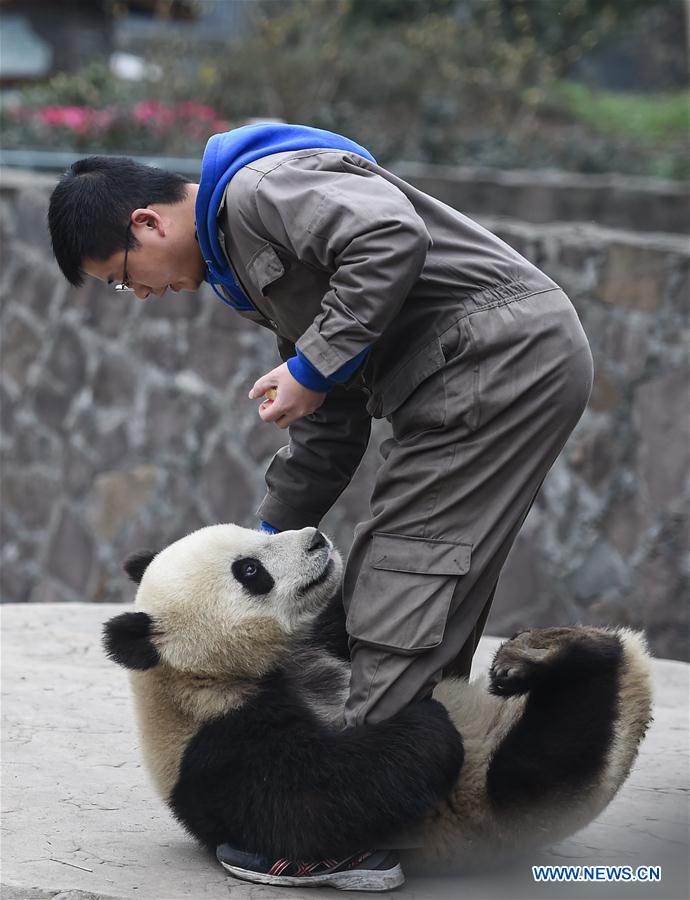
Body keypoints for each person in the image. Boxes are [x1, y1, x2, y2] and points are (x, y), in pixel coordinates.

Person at [48, 122, 594, 890]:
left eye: (121, 276)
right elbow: (329, 417)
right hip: (473, 368)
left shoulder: (257, 189)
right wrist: (264, 538)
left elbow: (387, 237)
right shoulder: (244, 260)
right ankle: (418, 804)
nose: (138, 295)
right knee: (401, 579)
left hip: (490, 361)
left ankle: (355, 826)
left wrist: (310, 362)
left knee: (403, 580)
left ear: (146, 223)